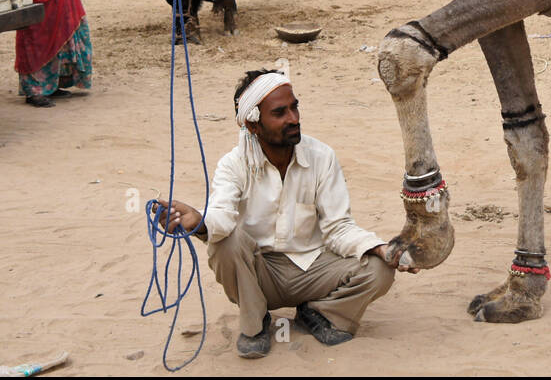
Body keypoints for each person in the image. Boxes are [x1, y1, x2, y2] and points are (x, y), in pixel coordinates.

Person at [159, 70, 406, 359]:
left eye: (294, 107)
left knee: (379, 270)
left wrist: (381, 248)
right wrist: (198, 220)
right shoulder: (233, 164)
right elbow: (221, 216)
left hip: (313, 268)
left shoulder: (321, 156)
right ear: (253, 125)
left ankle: (319, 313)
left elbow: (339, 228)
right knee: (225, 241)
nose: (293, 118)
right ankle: (255, 323)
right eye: (280, 112)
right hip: (260, 273)